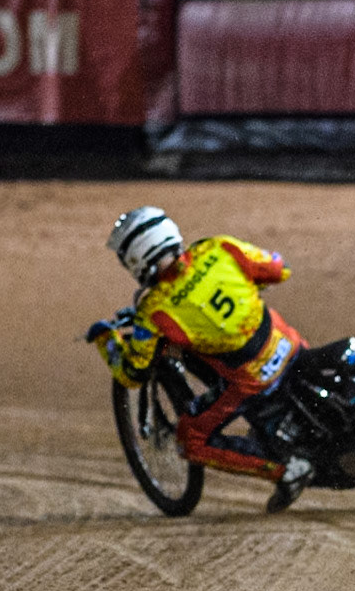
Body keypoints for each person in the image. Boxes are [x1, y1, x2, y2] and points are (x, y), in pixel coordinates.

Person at [88, 207, 314, 512]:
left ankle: (287, 469)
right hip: (290, 344)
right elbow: (279, 269)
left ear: (136, 258)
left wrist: (106, 339)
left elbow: (132, 372)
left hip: (251, 380)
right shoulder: (218, 248)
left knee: (191, 439)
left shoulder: (155, 311)